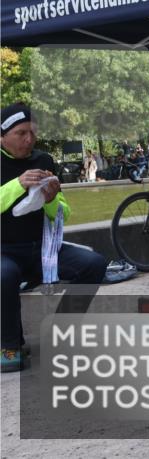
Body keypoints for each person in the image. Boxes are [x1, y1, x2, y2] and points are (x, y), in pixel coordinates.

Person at [2, 104, 107, 372]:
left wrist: (50, 199)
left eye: (33, 133)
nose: (29, 140)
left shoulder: (44, 161)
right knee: (5, 274)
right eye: (21, 133)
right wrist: (18, 184)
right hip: (4, 251)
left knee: (94, 263)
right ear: (2, 135)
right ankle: (9, 344)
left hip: (42, 248)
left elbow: (63, 213)